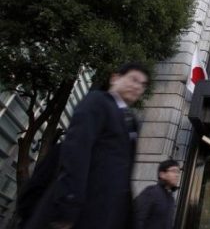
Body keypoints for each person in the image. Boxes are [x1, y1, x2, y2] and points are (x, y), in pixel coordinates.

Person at [25, 62, 149, 229]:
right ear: (115, 78)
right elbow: (76, 152)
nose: (137, 87)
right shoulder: (97, 101)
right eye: (133, 79)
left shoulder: (132, 121)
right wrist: (67, 203)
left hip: (105, 215)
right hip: (80, 211)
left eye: (142, 84)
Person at [134, 159, 180, 229]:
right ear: (162, 174)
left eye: (178, 172)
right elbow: (136, 219)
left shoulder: (171, 199)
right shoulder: (151, 192)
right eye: (173, 171)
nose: (177, 175)